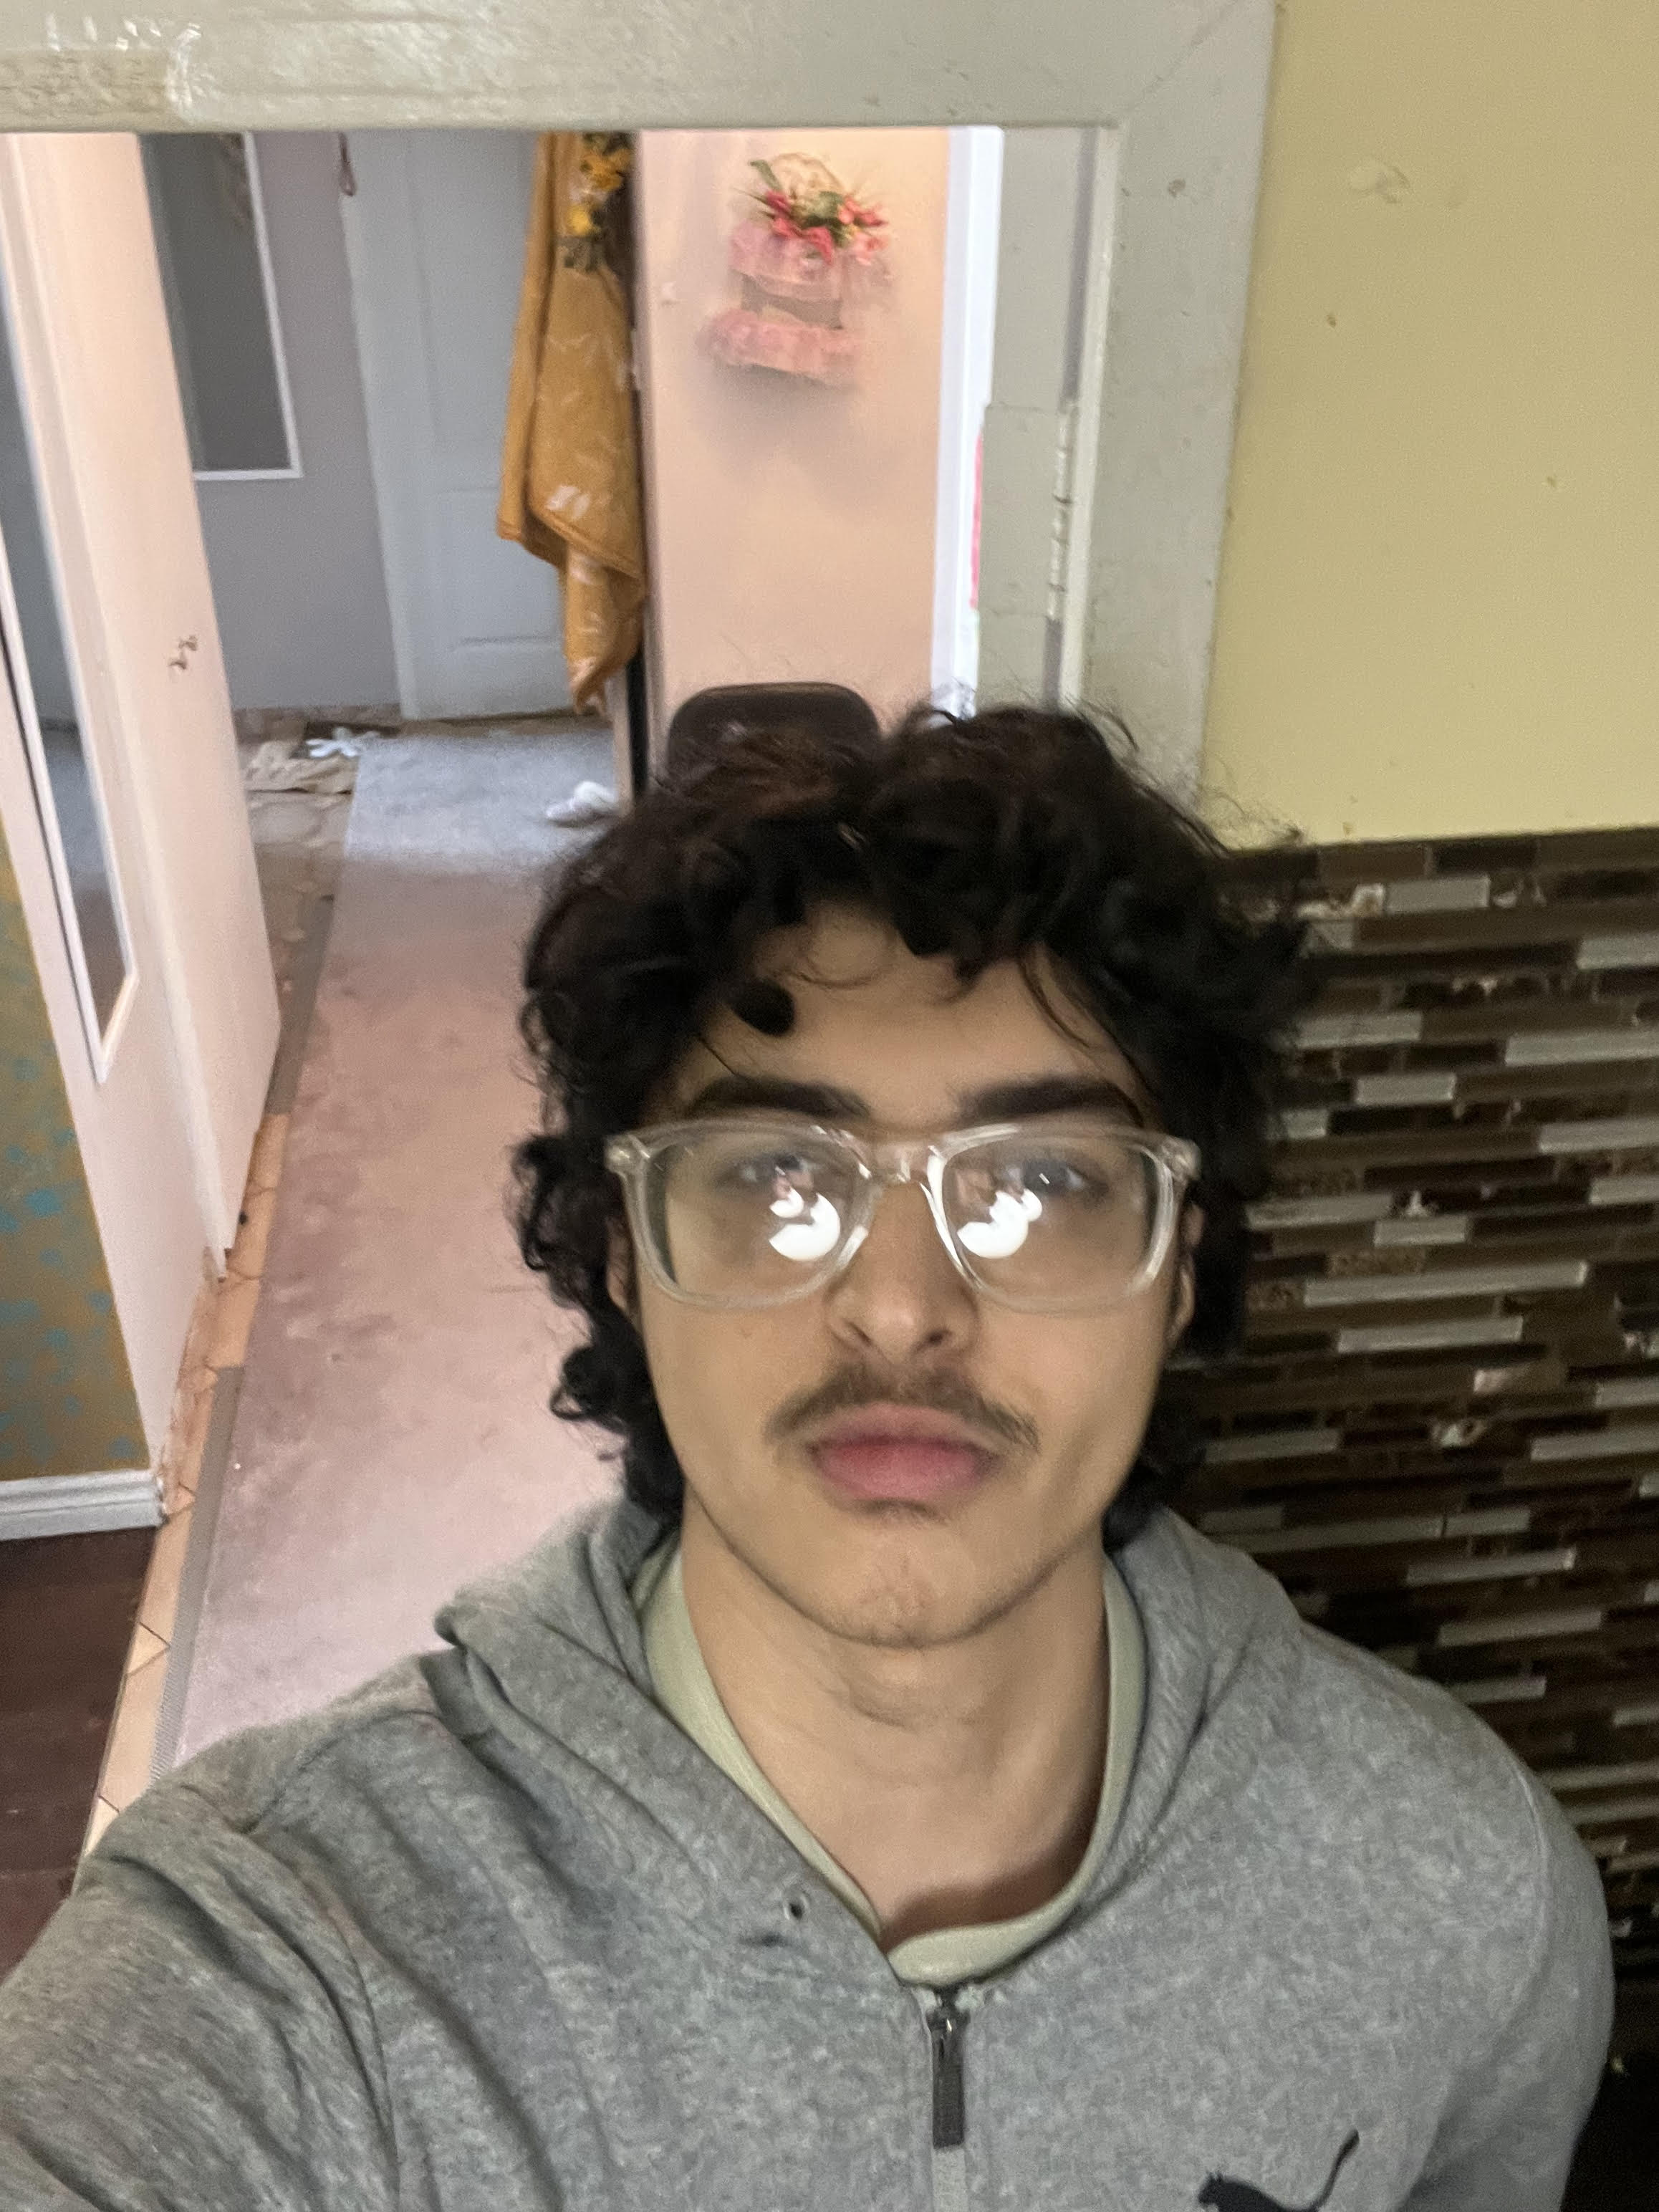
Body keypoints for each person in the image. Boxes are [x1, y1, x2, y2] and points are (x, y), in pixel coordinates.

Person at [0, 705, 1613, 2209]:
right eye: (776, 1174)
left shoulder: (1459, 1884)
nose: (901, 1310)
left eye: (1043, 1183)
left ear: (1178, 1269)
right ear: (627, 1253)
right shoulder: (280, 1964)